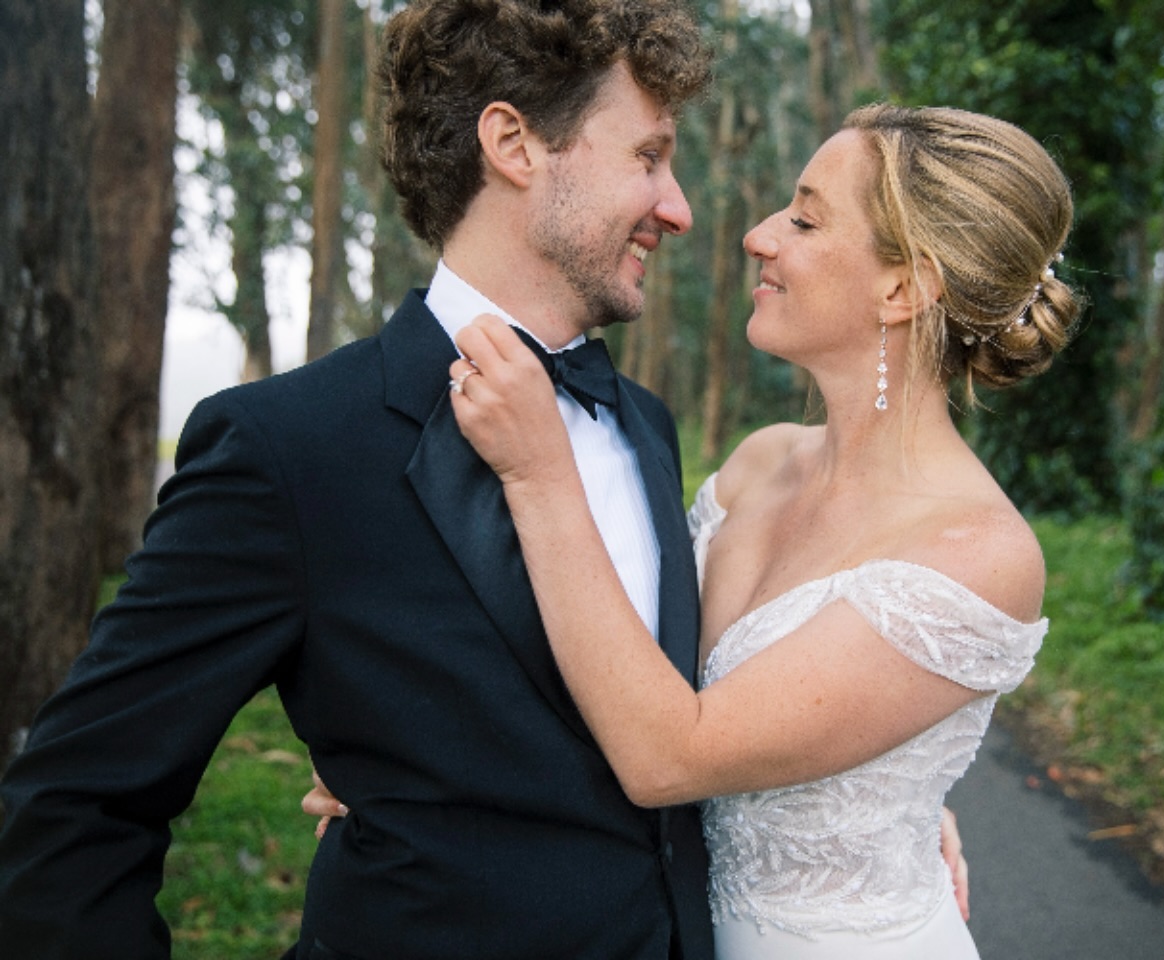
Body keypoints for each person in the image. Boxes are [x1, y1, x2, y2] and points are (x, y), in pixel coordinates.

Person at [0, 1, 717, 958]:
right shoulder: (288, 449)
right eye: (648, 156)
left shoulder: (649, 428)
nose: (679, 207)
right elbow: (74, 806)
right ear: (513, 143)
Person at [438, 104, 1081, 958]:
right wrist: (418, 759)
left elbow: (670, 754)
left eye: (806, 219)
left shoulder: (979, 555)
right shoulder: (759, 463)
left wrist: (538, 473)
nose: (757, 235)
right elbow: (619, 653)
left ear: (904, 287)